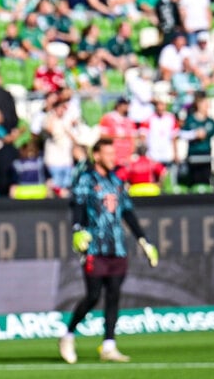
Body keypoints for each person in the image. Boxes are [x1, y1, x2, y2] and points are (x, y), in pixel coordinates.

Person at [58, 139, 159, 364]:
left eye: (114, 153)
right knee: (93, 295)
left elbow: (128, 213)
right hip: (95, 246)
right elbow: (78, 207)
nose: (113, 158)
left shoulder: (116, 181)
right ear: (97, 155)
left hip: (117, 247)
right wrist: (77, 230)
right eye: (108, 153)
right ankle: (68, 335)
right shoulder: (86, 179)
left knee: (114, 295)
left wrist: (144, 240)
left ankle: (109, 344)